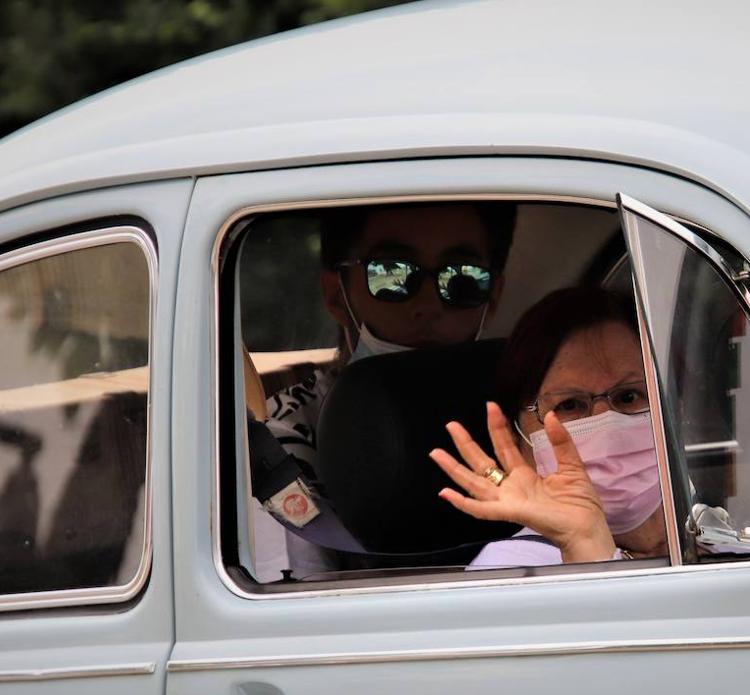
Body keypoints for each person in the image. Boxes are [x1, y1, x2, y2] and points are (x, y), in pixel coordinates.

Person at [246, 201, 514, 578]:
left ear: (495, 295)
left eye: (462, 278)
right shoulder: (274, 452)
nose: (428, 304)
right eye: (391, 273)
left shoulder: (535, 420)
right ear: (337, 295)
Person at [428, 287, 668, 567]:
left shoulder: (714, 534)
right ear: (515, 436)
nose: (608, 430)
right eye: (568, 405)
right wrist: (585, 546)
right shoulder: (510, 569)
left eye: (628, 397)